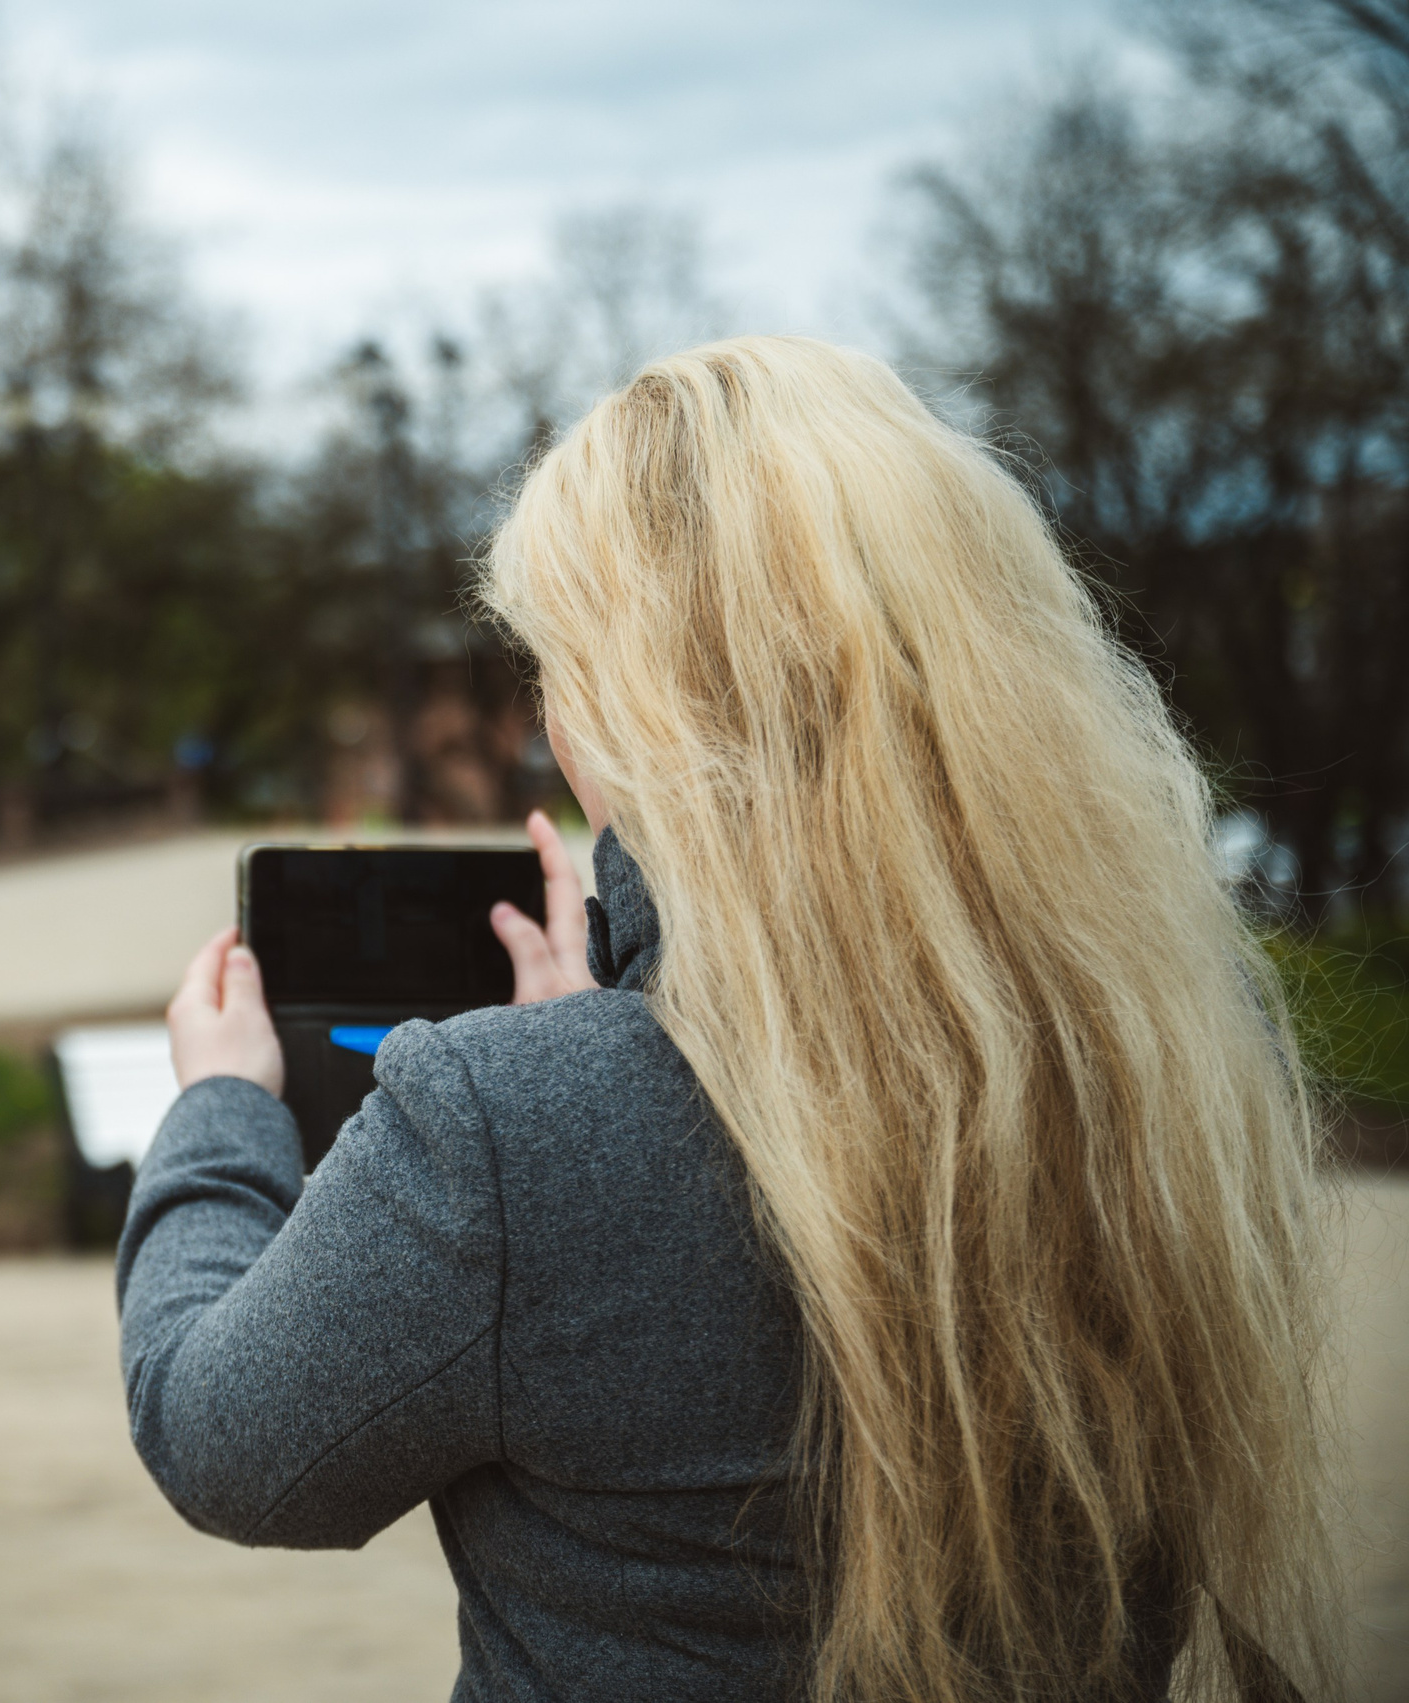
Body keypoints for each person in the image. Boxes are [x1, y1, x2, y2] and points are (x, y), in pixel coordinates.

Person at [117, 336, 1338, 1702]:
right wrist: (607, 1033)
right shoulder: (1177, 1043)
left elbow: (228, 1445)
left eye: (558, 667)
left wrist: (220, 1109)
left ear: (637, 704)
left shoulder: (501, 1128)